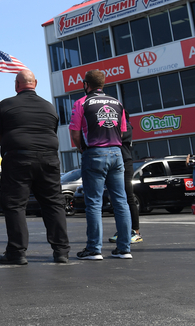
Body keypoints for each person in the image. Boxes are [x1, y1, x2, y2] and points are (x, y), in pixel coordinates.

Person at [0, 69, 70, 265]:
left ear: (17, 85)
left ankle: (17, 252)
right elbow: (52, 130)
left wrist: (14, 146)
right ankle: (61, 251)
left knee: (15, 205)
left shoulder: (5, 105)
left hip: (18, 158)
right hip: (49, 159)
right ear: (35, 83)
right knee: (53, 203)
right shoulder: (49, 107)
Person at [69, 69, 131, 260]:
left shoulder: (82, 102)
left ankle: (94, 249)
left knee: (94, 203)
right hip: (116, 153)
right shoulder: (116, 103)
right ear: (103, 85)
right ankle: (124, 248)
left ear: (86, 84)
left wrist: (82, 149)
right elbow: (122, 131)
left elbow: (75, 131)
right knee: (121, 201)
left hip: (94, 153)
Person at [110, 111, 143, 244]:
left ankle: (135, 231)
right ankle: (123, 230)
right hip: (116, 162)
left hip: (125, 162)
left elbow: (117, 139)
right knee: (117, 198)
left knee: (128, 197)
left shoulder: (127, 127)